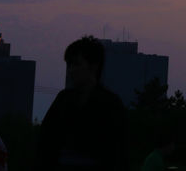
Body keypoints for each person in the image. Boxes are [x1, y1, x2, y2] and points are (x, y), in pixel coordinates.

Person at [37, 36, 128, 170]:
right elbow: (45, 144)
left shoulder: (110, 105)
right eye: (69, 64)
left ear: (93, 66)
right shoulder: (63, 100)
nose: (71, 70)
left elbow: (118, 154)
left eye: (76, 64)